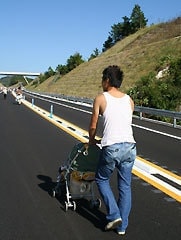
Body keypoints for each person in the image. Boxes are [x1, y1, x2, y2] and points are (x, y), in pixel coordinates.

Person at [88, 65, 136, 235]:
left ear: (107, 80)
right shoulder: (129, 100)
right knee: (125, 186)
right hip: (130, 147)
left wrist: (92, 141)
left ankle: (114, 214)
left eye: (103, 79)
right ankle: (122, 227)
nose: (101, 83)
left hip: (112, 147)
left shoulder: (101, 98)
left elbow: (93, 124)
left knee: (101, 179)